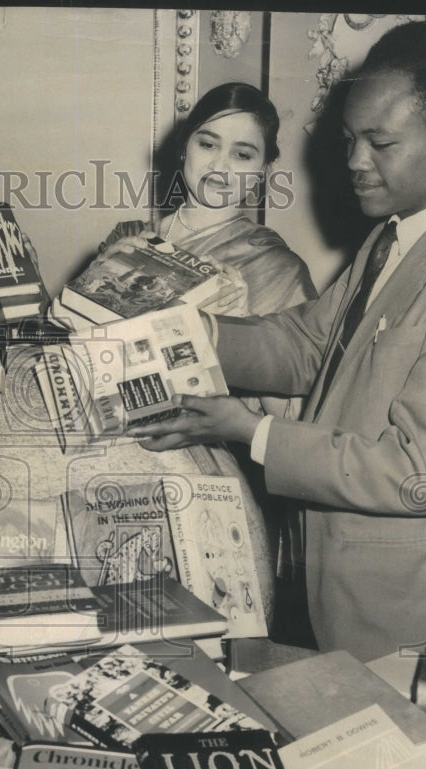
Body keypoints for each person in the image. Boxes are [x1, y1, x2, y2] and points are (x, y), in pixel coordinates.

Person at [128, 22, 426, 661]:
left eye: (379, 143)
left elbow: (421, 472)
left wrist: (249, 431)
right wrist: (176, 330)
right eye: (350, 140)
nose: (355, 161)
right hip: (334, 595)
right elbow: (305, 343)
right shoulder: (391, 238)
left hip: (411, 622)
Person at [101, 82, 319, 610]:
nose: (221, 164)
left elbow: (293, 417)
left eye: (243, 153)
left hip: (211, 479)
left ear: (264, 169)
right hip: (110, 465)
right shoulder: (126, 238)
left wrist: (233, 333)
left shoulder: (276, 268)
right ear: (183, 147)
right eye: (207, 143)